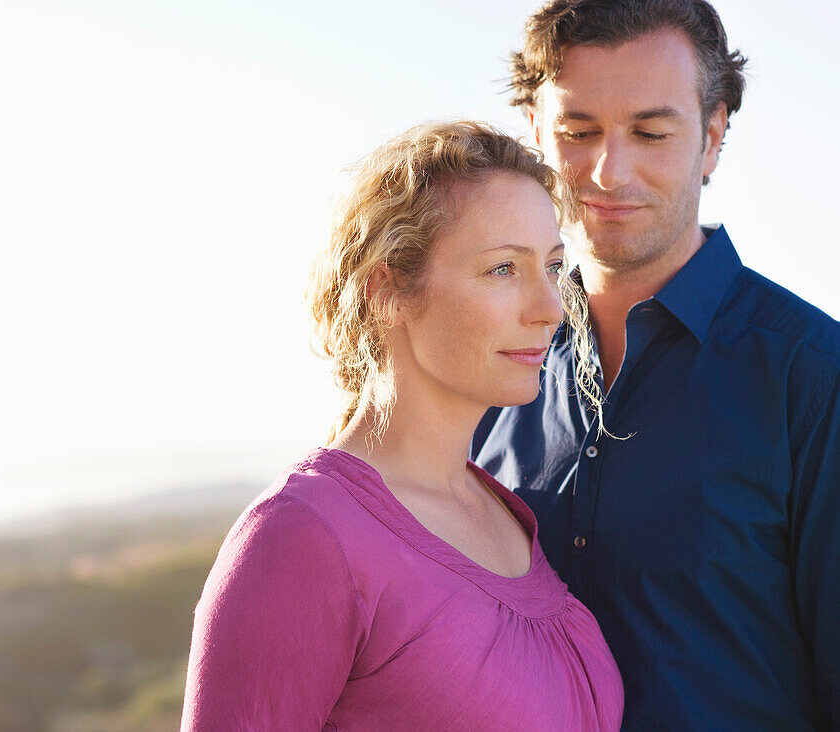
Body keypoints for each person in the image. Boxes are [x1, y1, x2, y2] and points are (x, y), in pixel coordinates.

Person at [182, 121, 624, 730]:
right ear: (387, 291)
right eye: (503, 269)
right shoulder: (303, 537)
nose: (550, 309)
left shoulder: (507, 512)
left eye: (552, 267)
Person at [471, 1, 840, 729]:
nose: (610, 171)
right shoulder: (486, 371)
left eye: (650, 132)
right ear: (537, 136)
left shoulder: (814, 375)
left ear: (712, 136)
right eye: (579, 133)